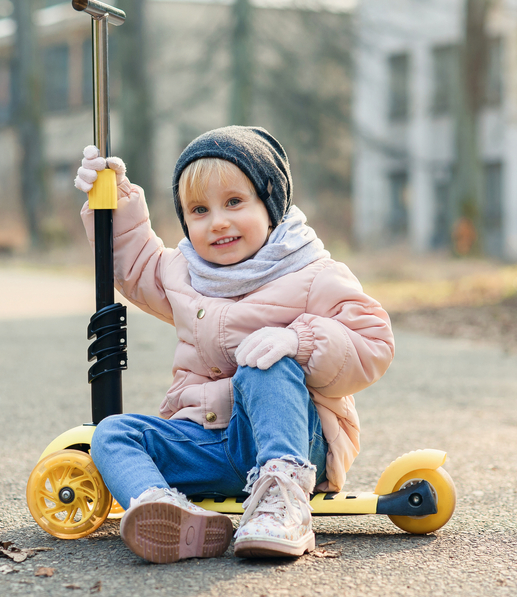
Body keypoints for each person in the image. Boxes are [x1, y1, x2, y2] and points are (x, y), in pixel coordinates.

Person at [73, 126, 394, 563]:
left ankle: (283, 502)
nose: (218, 221)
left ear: (271, 204)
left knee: (265, 362)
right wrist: (111, 197)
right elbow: (135, 264)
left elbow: (373, 342)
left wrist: (298, 341)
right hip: (207, 441)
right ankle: (161, 509)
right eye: (199, 210)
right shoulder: (184, 272)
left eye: (234, 202)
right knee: (111, 433)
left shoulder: (314, 273)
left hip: (294, 437)